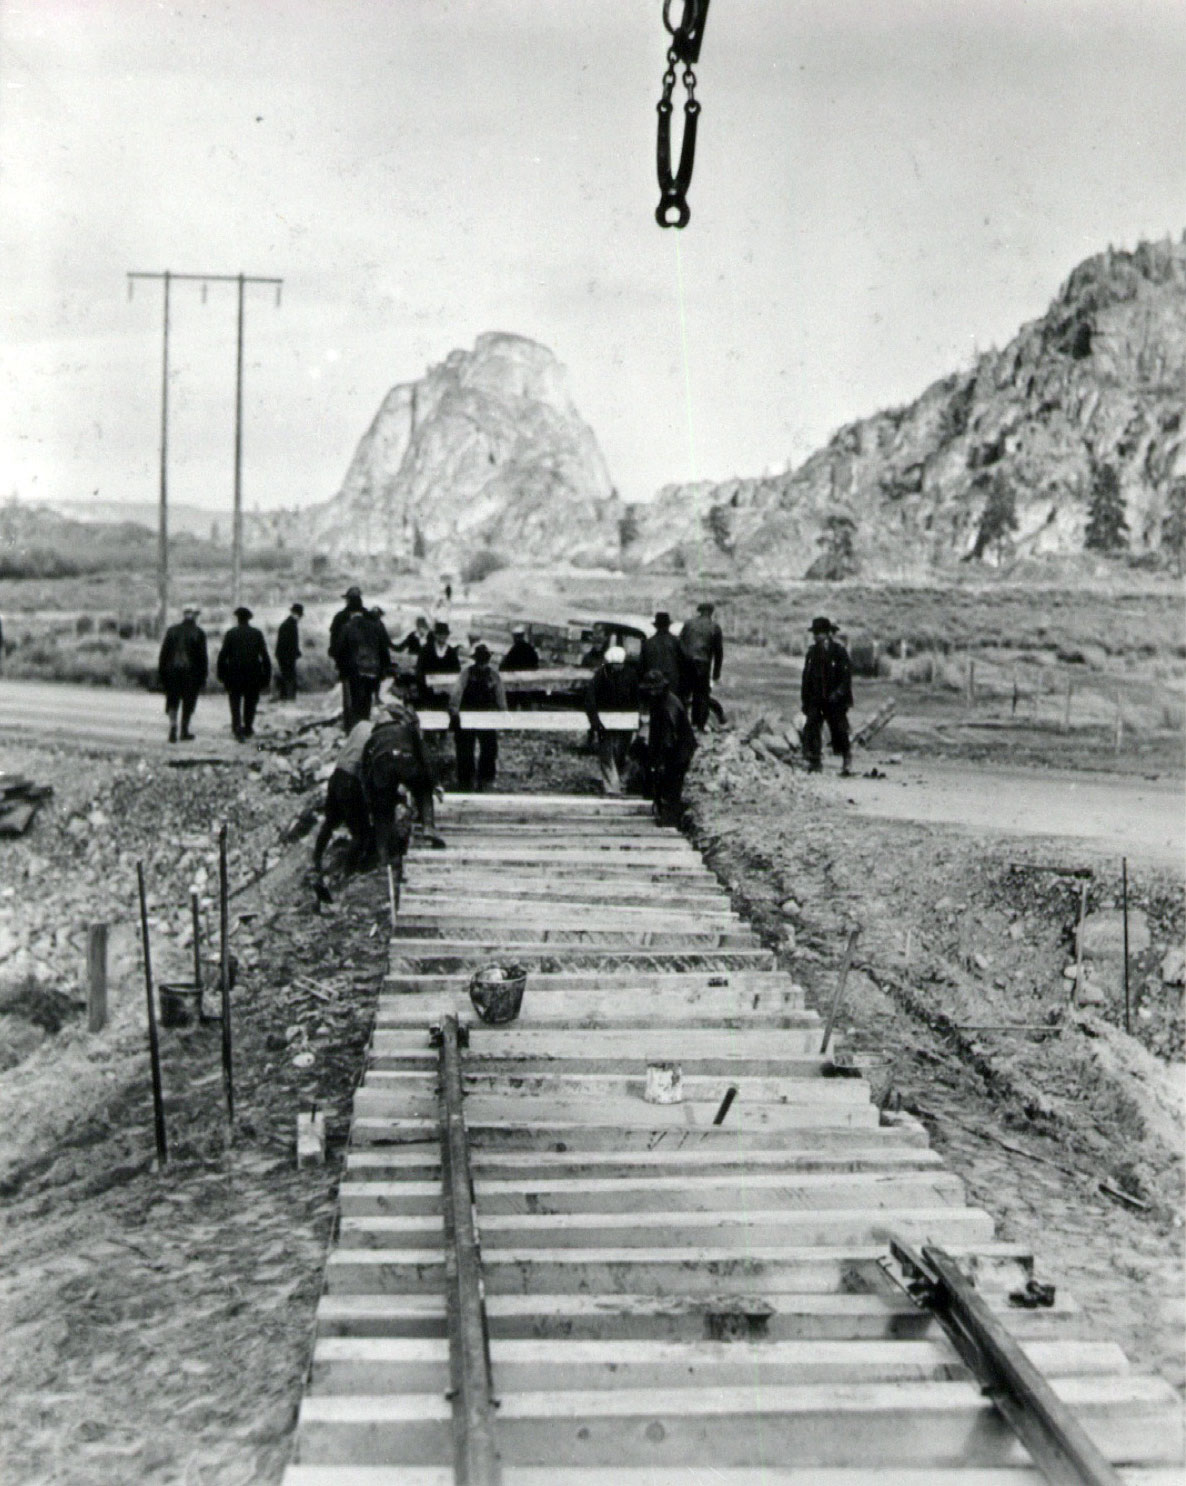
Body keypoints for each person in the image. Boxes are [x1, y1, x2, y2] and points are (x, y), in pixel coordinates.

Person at [362, 694, 446, 855]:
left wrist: (370, 798)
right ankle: (428, 826)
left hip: (382, 765)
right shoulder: (407, 730)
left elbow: (366, 768)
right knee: (423, 789)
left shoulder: (373, 736)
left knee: (383, 811)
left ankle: (383, 853)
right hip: (407, 761)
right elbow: (424, 757)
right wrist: (434, 783)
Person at [311, 716, 375, 888]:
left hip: (337, 776)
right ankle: (348, 873)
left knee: (330, 821)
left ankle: (316, 859)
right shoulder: (376, 735)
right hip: (350, 781)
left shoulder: (361, 725)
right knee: (361, 832)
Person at [639, 668, 697, 824]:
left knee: (671, 784)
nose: (650, 693)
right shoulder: (660, 701)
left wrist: (660, 762)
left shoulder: (668, 706)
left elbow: (667, 738)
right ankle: (667, 815)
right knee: (667, 782)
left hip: (679, 749)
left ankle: (670, 819)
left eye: (653, 690)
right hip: (675, 746)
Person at [449, 642, 507, 790]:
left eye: (484, 660)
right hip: (467, 717)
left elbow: (500, 696)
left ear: (487, 660)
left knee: (489, 749)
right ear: (476, 660)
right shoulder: (466, 673)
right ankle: (465, 781)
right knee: (465, 749)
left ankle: (485, 781)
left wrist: (503, 715)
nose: (482, 663)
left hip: (487, 718)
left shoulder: (493, 676)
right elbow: (457, 693)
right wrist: (454, 713)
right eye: (480, 660)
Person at [801, 616, 853, 776]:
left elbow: (846, 677)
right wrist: (805, 699)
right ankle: (815, 761)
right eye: (815, 633)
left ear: (828, 634)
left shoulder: (839, 651)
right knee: (812, 727)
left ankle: (846, 759)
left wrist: (838, 694)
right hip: (816, 698)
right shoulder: (812, 652)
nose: (816, 636)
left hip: (835, 700)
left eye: (819, 633)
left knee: (839, 729)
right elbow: (806, 677)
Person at [584, 645, 640, 795]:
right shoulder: (602, 675)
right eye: (614, 665)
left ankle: (619, 783)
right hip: (605, 723)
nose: (617, 668)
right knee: (607, 754)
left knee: (620, 754)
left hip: (625, 723)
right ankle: (612, 789)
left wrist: (636, 721)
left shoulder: (631, 675)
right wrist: (595, 722)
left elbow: (636, 699)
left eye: (619, 665)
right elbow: (590, 699)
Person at [216, 606, 272, 741]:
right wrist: (267, 676)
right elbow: (264, 656)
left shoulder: (231, 634)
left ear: (237, 619)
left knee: (235, 702)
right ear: (249, 619)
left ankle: (236, 727)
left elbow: (223, 656)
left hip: (234, 673)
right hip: (253, 673)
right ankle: (248, 727)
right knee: (250, 702)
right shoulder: (257, 633)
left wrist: (221, 674)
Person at [157, 604, 208, 742]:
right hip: (191, 673)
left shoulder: (172, 630)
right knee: (188, 701)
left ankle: (173, 726)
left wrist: (161, 673)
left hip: (172, 672)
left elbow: (163, 654)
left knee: (172, 700)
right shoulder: (199, 633)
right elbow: (203, 658)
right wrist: (203, 677)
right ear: (196, 616)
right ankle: (184, 730)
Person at [338, 605, 392, 729]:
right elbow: (384, 648)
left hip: (357, 669)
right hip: (373, 669)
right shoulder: (377, 627)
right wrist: (385, 667)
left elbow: (341, 649)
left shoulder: (351, 626)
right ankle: (365, 725)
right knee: (367, 699)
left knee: (357, 699)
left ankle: (356, 727)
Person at [680, 600, 725, 729]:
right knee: (701, 696)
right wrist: (716, 674)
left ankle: (682, 725)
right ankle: (698, 725)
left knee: (684, 695)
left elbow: (680, 644)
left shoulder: (688, 624)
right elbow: (718, 653)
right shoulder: (714, 627)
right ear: (711, 612)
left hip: (686, 664)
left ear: (699, 611)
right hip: (703, 666)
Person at [329, 584, 365, 730]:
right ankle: (363, 725)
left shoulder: (340, 618)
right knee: (364, 697)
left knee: (348, 697)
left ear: (348, 601)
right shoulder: (369, 617)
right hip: (367, 664)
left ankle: (350, 727)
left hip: (347, 664)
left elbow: (334, 643)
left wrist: (336, 657)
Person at [640, 611, 689, 700]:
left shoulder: (648, 643)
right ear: (668, 625)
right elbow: (685, 663)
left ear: (656, 626)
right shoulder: (676, 642)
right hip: (673, 683)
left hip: (653, 683)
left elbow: (641, 667)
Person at [415, 620, 461, 703]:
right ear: (435, 635)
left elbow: (457, 671)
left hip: (447, 692)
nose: (442, 636)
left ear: (447, 636)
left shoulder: (451, 652)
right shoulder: (425, 650)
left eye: (445, 634)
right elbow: (419, 671)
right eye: (440, 634)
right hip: (429, 692)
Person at [275, 602, 303, 700]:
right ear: (297, 614)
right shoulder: (291, 624)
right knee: (289, 675)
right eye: (300, 615)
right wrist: (296, 652)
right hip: (287, 655)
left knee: (286, 674)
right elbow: (290, 642)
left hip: (283, 654)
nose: (300, 617)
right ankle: (289, 696)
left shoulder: (287, 623)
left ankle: (285, 695)